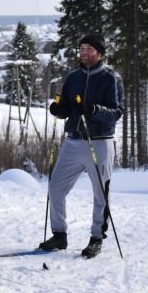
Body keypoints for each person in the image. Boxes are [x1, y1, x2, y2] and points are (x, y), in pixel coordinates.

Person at [39, 34, 124, 259]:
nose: (83, 52)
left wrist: (94, 110)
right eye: (81, 48)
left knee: (100, 194)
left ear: (100, 53)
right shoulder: (73, 77)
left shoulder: (110, 78)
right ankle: (59, 235)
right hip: (74, 140)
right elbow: (66, 106)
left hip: (99, 142)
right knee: (56, 187)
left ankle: (96, 238)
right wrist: (59, 110)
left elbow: (116, 113)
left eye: (88, 49)